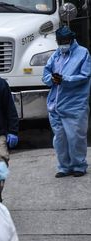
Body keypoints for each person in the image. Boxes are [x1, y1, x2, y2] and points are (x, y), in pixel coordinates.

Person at [42, 26, 91, 178]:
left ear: (71, 39)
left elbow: (85, 76)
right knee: (60, 139)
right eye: (60, 42)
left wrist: (65, 79)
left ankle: (79, 165)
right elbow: (45, 74)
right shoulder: (56, 54)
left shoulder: (83, 53)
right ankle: (64, 166)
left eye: (65, 41)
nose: (62, 44)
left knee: (76, 137)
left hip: (75, 104)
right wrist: (52, 79)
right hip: (55, 105)